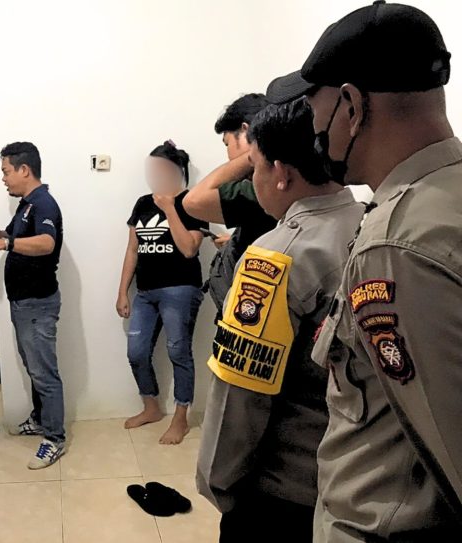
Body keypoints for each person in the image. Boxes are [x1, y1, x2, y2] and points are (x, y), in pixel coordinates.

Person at [266, 2, 462, 540]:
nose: (314, 129)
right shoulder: (441, 198)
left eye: (315, 110)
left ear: (351, 106)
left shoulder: (397, 243)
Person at [196, 99, 365, 543]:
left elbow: (240, 393)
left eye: (254, 166)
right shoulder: (370, 223)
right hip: (352, 480)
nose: (254, 180)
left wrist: (218, 485)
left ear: (281, 173)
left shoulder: (277, 256)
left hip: (282, 489)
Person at [0, 142, 65, 469]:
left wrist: (6, 242)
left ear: (24, 169)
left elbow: (46, 243)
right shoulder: (27, 205)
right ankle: (40, 420)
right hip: (24, 303)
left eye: (6, 171)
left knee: (44, 373)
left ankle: (55, 439)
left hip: (38, 304)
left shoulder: (44, 203)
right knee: (34, 368)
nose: (4, 178)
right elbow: (17, 239)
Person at [116, 141, 206, 445]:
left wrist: (170, 208)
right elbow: (132, 249)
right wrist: (122, 291)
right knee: (136, 352)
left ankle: (181, 419)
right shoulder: (142, 203)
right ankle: (151, 407)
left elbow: (189, 248)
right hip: (145, 291)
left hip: (181, 289)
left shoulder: (193, 202)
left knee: (179, 351)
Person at [183, 94, 277, 321]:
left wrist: (253, 153)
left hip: (252, 317)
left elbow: (193, 201)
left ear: (245, 131)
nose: (228, 155)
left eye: (227, 144)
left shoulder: (263, 187)